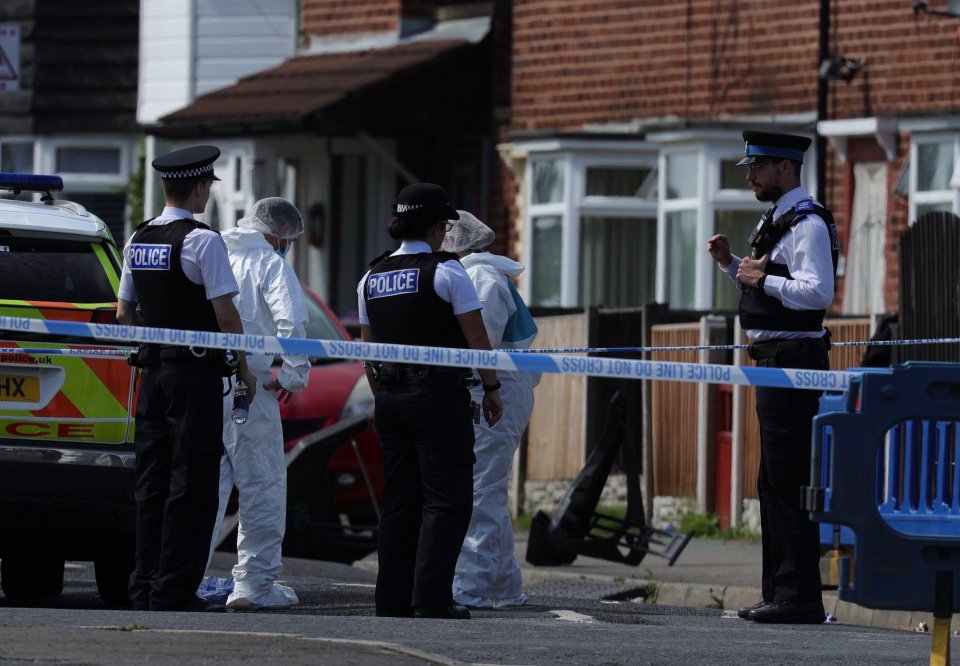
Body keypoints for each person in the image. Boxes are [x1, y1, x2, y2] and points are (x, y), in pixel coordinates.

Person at [706, 130, 839, 625]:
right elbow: (764, 284)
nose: (750, 174)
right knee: (773, 480)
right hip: (776, 357)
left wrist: (762, 278)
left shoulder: (806, 222)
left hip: (793, 358)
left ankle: (798, 596)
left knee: (786, 479)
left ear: (786, 168)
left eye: (758, 165)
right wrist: (731, 266)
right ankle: (781, 591)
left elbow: (816, 293)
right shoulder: (779, 218)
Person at [117, 145, 256, 612]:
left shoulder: (138, 238)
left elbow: (124, 313)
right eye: (207, 188)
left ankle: (144, 585)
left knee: (152, 481)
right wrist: (243, 367)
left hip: (152, 374)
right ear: (199, 188)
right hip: (193, 375)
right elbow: (227, 316)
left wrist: (153, 349)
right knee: (192, 482)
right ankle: (174, 589)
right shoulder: (202, 241)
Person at [357, 183, 504, 620]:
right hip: (437, 396)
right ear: (438, 227)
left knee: (399, 501)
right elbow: (476, 337)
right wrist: (492, 388)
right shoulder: (447, 270)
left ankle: (392, 599)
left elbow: (368, 351)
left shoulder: (372, 275)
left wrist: (385, 395)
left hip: (391, 398)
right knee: (447, 499)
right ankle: (432, 598)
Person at [200, 197, 310, 610]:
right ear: (278, 235)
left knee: (208, 488)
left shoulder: (216, 253)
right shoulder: (270, 264)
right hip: (255, 386)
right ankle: (254, 585)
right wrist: (295, 374)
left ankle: (187, 573)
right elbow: (293, 322)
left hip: (208, 383)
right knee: (262, 485)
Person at [442, 211, 540, 609]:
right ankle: (502, 585)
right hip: (495, 386)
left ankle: (472, 586)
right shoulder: (482, 275)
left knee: (480, 488)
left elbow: (482, 344)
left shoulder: (480, 279)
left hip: (492, 387)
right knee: (489, 488)